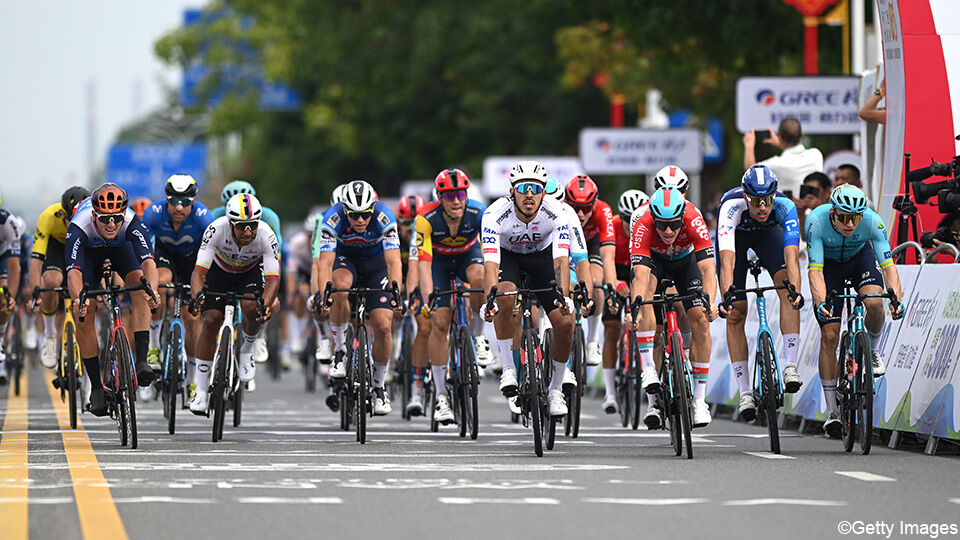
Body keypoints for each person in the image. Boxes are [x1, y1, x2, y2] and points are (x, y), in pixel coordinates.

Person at [806, 184, 905, 437]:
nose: (850, 224)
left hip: (860, 260)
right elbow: (815, 271)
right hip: (829, 267)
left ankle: (871, 351)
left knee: (874, 303)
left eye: (856, 218)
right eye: (844, 218)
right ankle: (832, 412)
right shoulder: (816, 221)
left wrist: (894, 297)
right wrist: (820, 304)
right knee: (829, 336)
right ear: (832, 213)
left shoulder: (873, 222)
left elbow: (889, 267)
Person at [480, 160, 574, 418]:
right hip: (507, 257)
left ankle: (555, 390)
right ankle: (509, 369)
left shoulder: (558, 213)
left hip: (542, 258)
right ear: (512, 192)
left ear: (544, 191)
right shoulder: (494, 214)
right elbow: (490, 264)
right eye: (523, 189)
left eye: (535, 188)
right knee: (505, 297)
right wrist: (491, 299)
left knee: (566, 322)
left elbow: (561, 260)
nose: (529, 194)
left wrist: (564, 298)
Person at [625, 186, 717, 428]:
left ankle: (699, 400)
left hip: (686, 263)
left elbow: (708, 268)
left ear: (682, 218)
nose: (668, 231)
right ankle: (649, 372)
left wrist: (711, 301)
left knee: (700, 318)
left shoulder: (693, 217)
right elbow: (641, 276)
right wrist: (634, 308)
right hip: (654, 263)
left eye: (674, 225)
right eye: (662, 225)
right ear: (653, 217)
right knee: (644, 299)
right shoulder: (642, 222)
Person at [716, 165, 804, 420]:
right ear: (746, 197)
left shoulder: (785, 206)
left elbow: (791, 256)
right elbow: (727, 259)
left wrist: (795, 291)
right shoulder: (730, 206)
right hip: (737, 240)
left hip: (768, 237)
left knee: (787, 289)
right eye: (756, 201)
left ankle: (790, 365)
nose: (762, 207)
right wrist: (727, 296)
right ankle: (745, 392)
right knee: (735, 312)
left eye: (767, 201)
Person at [65, 184, 160, 416]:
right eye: (105, 219)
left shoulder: (131, 222)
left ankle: (141, 361)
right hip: (89, 255)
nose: (111, 224)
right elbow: (74, 272)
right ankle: (97, 387)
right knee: (84, 312)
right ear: (95, 215)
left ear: (123, 215)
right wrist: (79, 299)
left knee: (141, 286)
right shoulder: (79, 225)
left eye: (116, 219)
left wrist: (153, 291)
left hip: (121, 249)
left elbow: (148, 263)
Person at [313, 180, 404, 416]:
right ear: (345, 210)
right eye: (354, 215)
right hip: (346, 262)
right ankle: (341, 351)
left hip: (377, 266)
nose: (360, 220)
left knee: (384, 326)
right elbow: (324, 263)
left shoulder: (384, 215)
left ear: (372, 209)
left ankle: (379, 387)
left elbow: (394, 260)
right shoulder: (332, 218)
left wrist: (396, 293)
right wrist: (325, 295)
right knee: (339, 287)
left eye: (365, 215)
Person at [189, 193, 280, 414]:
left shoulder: (266, 234)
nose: (248, 232)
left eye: (252, 226)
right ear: (230, 223)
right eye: (241, 227)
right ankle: (200, 391)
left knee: (252, 307)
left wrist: (265, 306)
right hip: (219, 272)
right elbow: (199, 272)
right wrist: (197, 296)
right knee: (210, 321)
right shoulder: (216, 229)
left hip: (249, 273)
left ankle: (247, 350)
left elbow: (273, 280)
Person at [417, 169, 488, 424]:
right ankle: (441, 396)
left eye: (460, 194)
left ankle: (479, 338)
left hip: (468, 258)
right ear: (439, 197)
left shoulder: (478, 212)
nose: (456, 200)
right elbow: (423, 264)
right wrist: (429, 300)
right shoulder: (426, 217)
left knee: (479, 279)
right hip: (438, 263)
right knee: (440, 322)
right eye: (449, 196)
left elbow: (492, 254)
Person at [141, 174, 213, 401]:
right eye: (174, 202)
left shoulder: (204, 218)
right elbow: (145, 251)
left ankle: (193, 380)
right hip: (164, 257)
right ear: (166, 200)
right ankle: (153, 347)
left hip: (194, 261)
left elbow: (210, 256)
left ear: (194, 201)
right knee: (159, 284)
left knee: (192, 319)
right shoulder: (153, 213)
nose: (179, 207)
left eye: (185, 202)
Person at [211, 181, 283, 364]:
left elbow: (276, 256)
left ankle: (259, 336)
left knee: (261, 303)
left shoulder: (269, 217)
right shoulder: (216, 217)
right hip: (225, 263)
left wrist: (270, 295)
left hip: (257, 262)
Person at [597, 188, 648, 413]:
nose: (630, 223)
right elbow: (605, 260)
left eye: (634, 219)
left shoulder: (648, 227)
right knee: (612, 328)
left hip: (638, 269)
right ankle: (610, 393)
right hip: (616, 271)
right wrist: (615, 283)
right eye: (626, 219)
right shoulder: (613, 226)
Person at [30, 186, 90, 370]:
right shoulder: (48, 217)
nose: (74, 223)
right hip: (57, 248)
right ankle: (49, 336)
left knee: (87, 287)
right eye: (70, 220)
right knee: (51, 282)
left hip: (82, 247)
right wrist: (36, 294)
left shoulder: (92, 218)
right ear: (62, 214)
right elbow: (36, 261)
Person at [565, 175, 617, 369]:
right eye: (575, 207)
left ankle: (593, 340)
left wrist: (610, 288)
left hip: (592, 244)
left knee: (595, 282)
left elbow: (608, 257)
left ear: (594, 204)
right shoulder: (560, 209)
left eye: (586, 208)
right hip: (568, 245)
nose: (580, 214)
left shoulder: (604, 211)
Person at [393, 194, 431, 416]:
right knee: (390, 311)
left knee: (425, 318)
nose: (410, 229)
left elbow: (422, 268)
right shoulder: (395, 236)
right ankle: (390, 358)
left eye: (415, 223)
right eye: (406, 224)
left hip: (421, 272)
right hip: (400, 272)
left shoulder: (424, 233)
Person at [744, 117, 824, 197]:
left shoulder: (776, 164)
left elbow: (751, 170)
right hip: (814, 209)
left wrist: (749, 145)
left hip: (788, 209)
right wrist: (780, 143)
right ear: (802, 134)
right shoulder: (816, 155)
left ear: (781, 138)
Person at [0, 199, 24, 384]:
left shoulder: (9, 223)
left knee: (4, 294)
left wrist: (11, 298)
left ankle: (1, 337)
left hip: (3, 256)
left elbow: (14, 267)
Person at [797, 172, 832, 238]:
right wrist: (801, 214)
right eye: (807, 190)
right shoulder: (809, 214)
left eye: (814, 190)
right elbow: (806, 238)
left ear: (827, 191)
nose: (810, 195)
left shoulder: (838, 208)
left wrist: (818, 208)